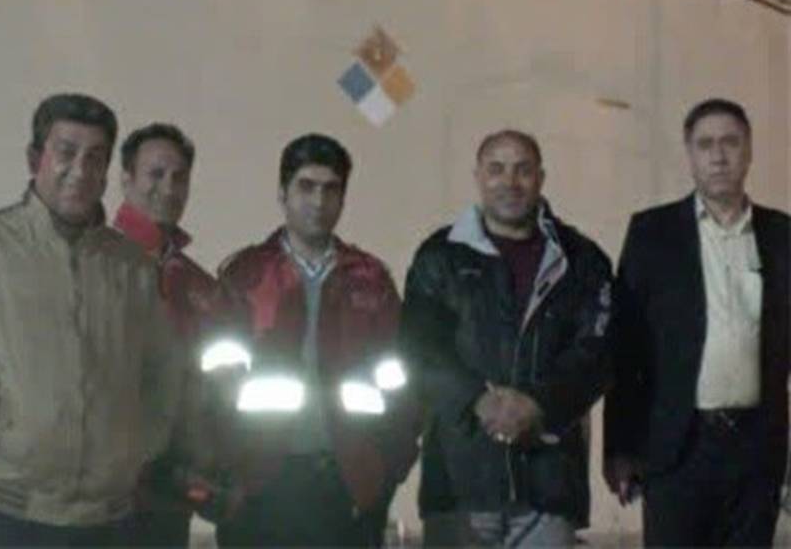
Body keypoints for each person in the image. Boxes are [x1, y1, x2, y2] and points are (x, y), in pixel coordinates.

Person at [0, 93, 183, 547]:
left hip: (108, 514)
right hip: (7, 506)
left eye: (95, 158)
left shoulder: (131, 265)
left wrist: (142, 442)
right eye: (66, 153)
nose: (80, 170)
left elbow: (163, 367)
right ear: (35, 158)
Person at [399, 129, 612, 547]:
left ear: (541, 178)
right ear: (478, 177)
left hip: (549, 486)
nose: (509, 182)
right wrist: (477, 401)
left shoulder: (581, 259)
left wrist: (539, 404)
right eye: (496, 169)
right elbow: (418, 347)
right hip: (459, 485)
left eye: (523, 170)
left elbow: (597, 352)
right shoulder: (439, 256)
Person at [215, 133, 418, 547]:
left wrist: (387, 473)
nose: (318, 201)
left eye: (330, 189)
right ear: (282, 193)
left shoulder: (370, 279)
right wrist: (225, 474)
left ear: (343, 198)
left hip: (347, 481)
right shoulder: (245, 275)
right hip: (258, 483)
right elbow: (213, 383)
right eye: (306, 187)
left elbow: (402, 382)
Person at [604, 99, 789, 547]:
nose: (718, 156)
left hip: (756, 448)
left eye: (730, 143)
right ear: (689, 154)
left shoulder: (783, 235)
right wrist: (619, 447)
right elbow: (625, 349)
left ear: (749, 151)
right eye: (705, 145)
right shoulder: (652, 233)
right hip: (677, 448)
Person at [112, 123, 240, 547]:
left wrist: (212, 465)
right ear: (126, 178)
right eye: (155, 174)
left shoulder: (200, 286)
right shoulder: (93, 264)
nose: (168, 188)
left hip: (173, 491)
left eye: (179, 177)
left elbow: (220, 389)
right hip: (103, 493)